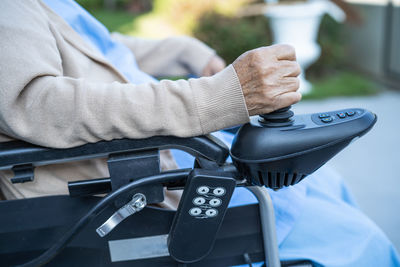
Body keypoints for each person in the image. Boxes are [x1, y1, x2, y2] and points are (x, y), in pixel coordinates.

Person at [0, 1, 398, 266]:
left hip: (168, 145)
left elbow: (98, 46)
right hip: (132, 179)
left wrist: (187, 51)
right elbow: (35, 104)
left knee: (328, 181)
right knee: (358, 243)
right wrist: (218, 97)